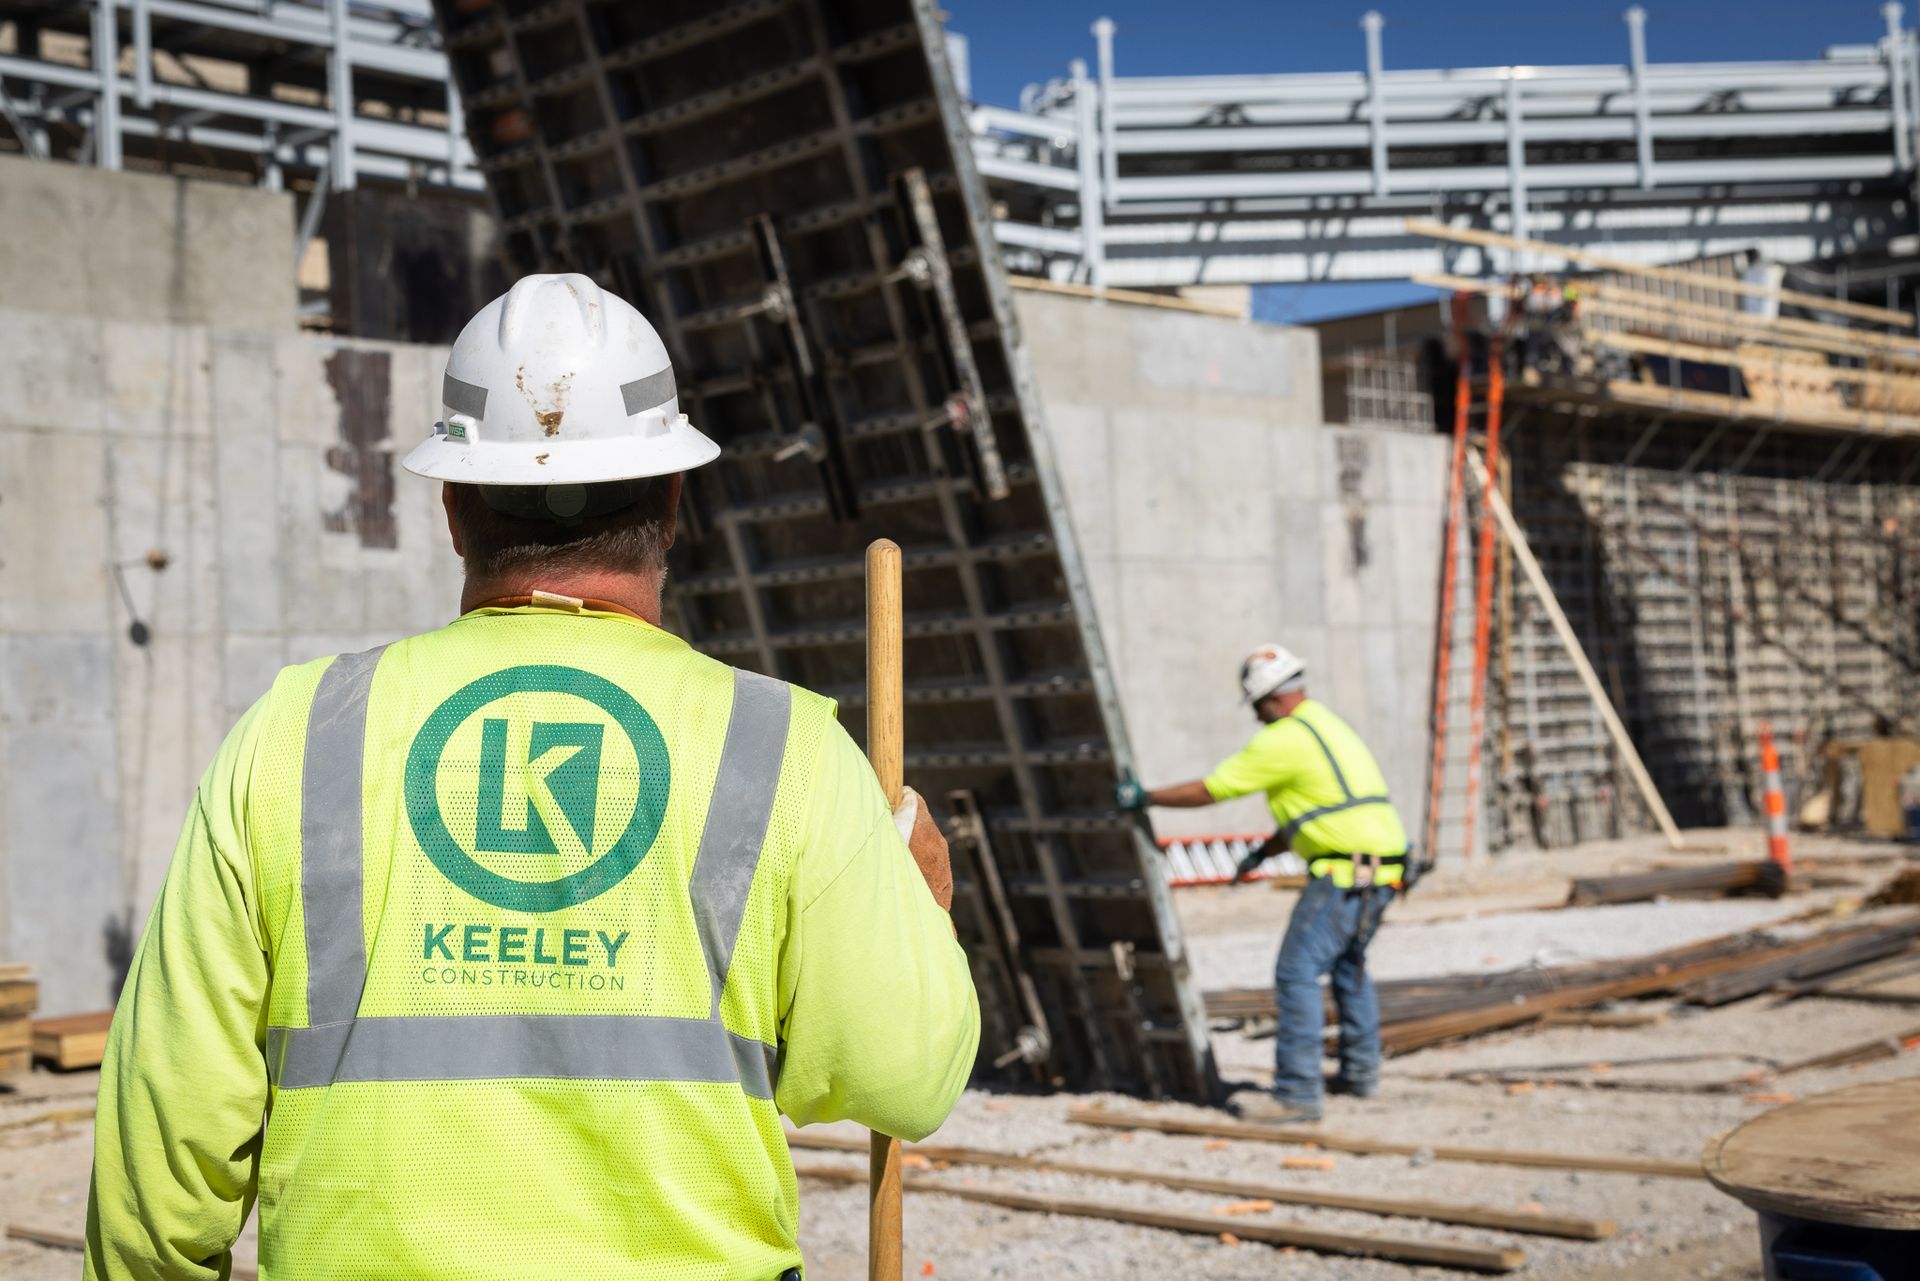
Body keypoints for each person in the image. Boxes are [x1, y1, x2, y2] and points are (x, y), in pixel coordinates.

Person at [83, 274, 980, 1280]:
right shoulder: (787, 749)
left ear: (454, 506)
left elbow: (158, 1162)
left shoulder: (294, 737)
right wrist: (922, 909)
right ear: (674, 501)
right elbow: (905, 1081)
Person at [1115, 644, 1407, 1123]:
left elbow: (1213, 789)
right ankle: (1360, 1075)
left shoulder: (1283, 739)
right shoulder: (1329, 725)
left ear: (1269, 698)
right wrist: (1265, 852)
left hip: (1341, 873)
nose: (1254, 717)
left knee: (1296, 973)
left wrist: (1144, 797)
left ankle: (1297, 1095)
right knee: (1349, 969)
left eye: (1255, 706)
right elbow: (1321, 806)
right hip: (1382, 870)